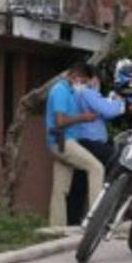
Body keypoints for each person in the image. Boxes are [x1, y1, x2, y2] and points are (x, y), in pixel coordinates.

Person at [45, 62, 103, 228]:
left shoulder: (68, 90)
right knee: (96, 168)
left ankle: (57, 227)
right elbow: (60, 121)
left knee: (61, 188)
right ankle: (95, 219)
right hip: (62, 140)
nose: (84, 85)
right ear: (76, 77)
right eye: (84, 81)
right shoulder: (60, 91)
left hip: (60, 141)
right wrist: (83, 117)